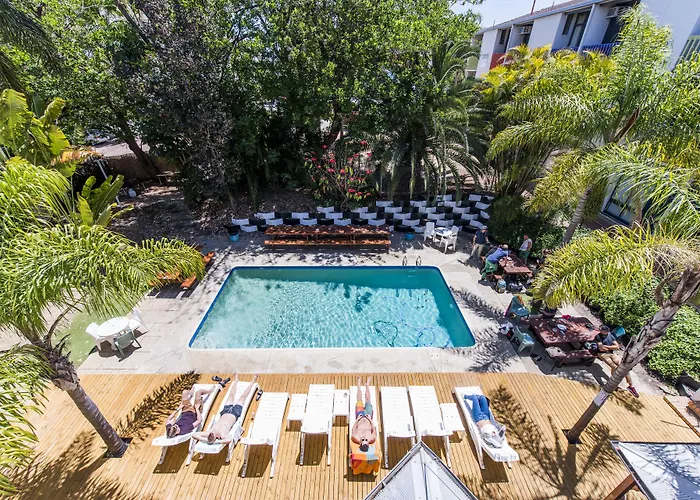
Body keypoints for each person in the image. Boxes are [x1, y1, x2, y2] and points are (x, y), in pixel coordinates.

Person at [192, 373, 259, 444]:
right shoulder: (222, 435)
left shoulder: (209, 432)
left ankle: (236, 380)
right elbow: (229, 440)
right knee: (243, 396)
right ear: (216, 437)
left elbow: (194, 435)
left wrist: (204, 439)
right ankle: (253, 380)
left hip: (225, 411)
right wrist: (218, 441)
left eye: (211, 434)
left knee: (231, 395)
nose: (213, 432)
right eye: (213, 435)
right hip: (235, 413)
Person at [165, 378, 229, 438]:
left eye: (175, 426)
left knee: (184, 392)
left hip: (186, 410)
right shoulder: (185, 429)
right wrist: (197, 409)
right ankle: (209, 392)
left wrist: (178, 409)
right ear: (176, 433)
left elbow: (168, 419)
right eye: (177, 429)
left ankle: (191, 392)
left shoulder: (169, 428)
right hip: (195, 413)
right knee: (199, 392)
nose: (177, 427)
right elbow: (199, 420)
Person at [587, 327, 639, 398]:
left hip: (611, 353)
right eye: (602, 331)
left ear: (607, 331)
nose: (603, 332)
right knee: (615, 367)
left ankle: (631, 386)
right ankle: (613, 382)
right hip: (602, 354)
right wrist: (611, 346)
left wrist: (606, 347)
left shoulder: (610, 336)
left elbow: (617, 347)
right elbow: (601, 348)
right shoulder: (598, 336)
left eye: (605, 331)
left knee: (624, 367)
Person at [351, 376, 377, 452]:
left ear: (360, 443)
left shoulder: (355, 437)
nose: (364, 438)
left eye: (363, 440)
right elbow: (374, 429)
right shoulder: (372, 438)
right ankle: (367, 385)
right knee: (368, 400)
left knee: (359, 400)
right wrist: (370, 419)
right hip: (368, 416)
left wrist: (358, 419)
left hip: (360, 416)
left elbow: (353, 429)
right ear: (368, 443)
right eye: (366, 440)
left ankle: (358, 385)